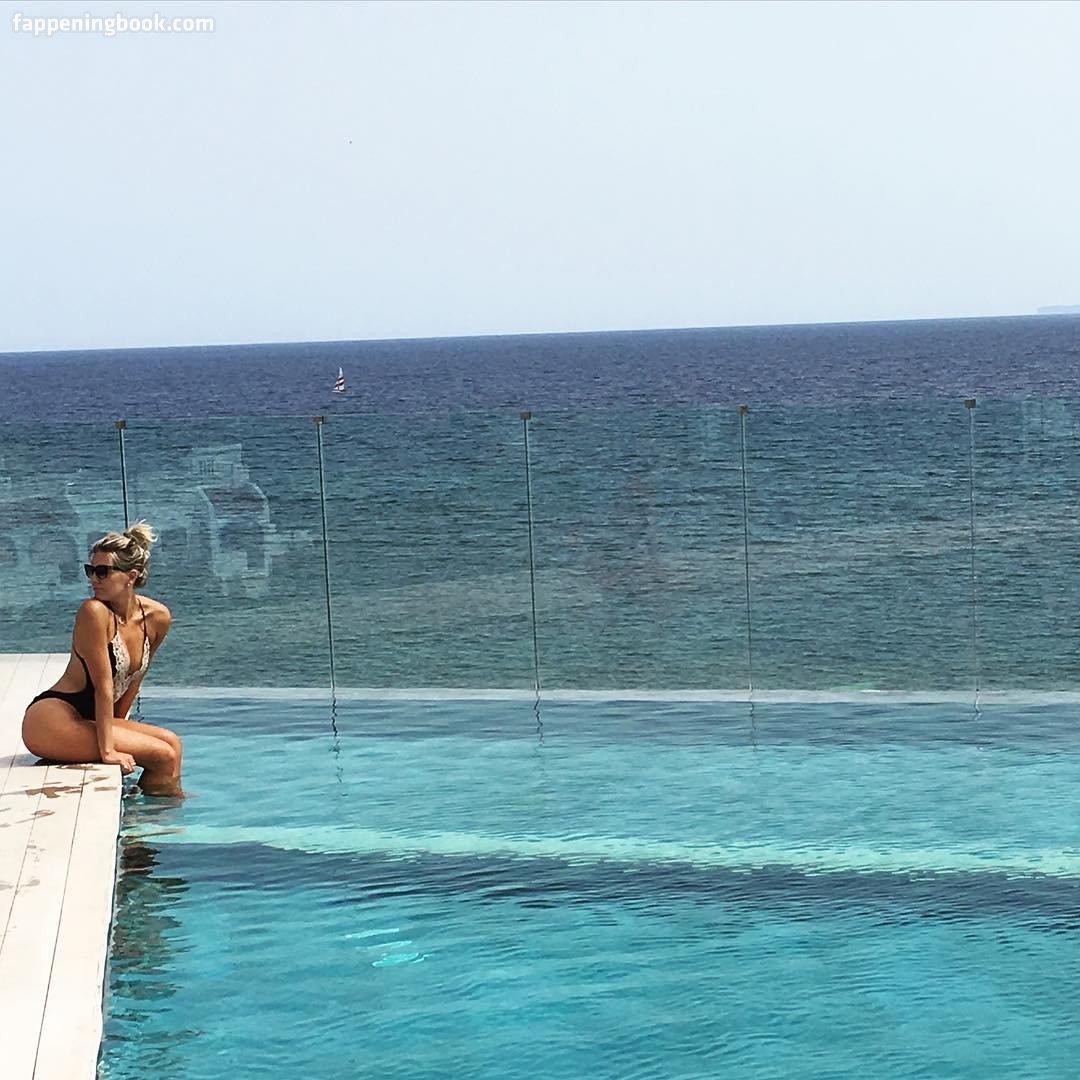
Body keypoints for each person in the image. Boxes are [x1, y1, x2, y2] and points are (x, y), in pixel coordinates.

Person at [22, 521, 183, 796]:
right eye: (91, 570)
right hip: (50, 721)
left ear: (131, 576)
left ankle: (154, 811)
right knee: (162, 755)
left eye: (102, 572)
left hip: (90, 720)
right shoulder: (93, 612)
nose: (93, 579)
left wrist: (121, 728)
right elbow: (104, 686)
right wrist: (109, 750)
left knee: (173, 744)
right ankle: (155, 817)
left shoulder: (157, 618)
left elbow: (134, 680)